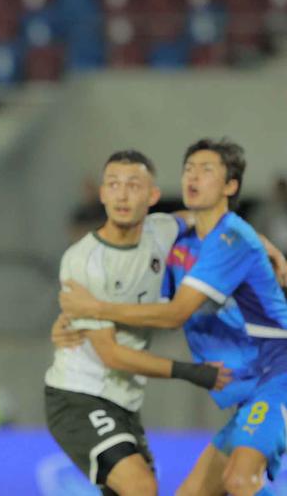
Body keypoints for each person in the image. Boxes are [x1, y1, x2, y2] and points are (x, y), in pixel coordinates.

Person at [62, 139, 287, 496]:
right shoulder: (180, 243)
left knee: (241, 480)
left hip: (278, 376)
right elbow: (139, 294)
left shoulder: (231, 239)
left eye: (206, 170)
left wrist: (94, 309)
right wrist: (70, 321)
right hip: (250, 391)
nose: (193, 177)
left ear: (230, 186)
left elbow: (175, 314)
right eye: (188, 169)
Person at [45, 150, 230, 495]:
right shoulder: (84, 261)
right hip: (79, 395)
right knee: (141, 487)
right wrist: (193, 372)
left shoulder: (159, 231)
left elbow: (204, 218)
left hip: (125, 400)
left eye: (133, 185)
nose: (122, 195)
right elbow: (112, 355)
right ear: (102, 194)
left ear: (152, 195)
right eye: (113, 185)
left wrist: (265, 246)